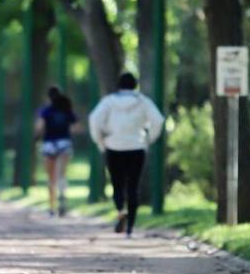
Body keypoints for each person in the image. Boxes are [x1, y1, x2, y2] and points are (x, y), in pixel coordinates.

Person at [88, 72, 164, 236]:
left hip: (113, 147)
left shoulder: (108, 102)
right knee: (133, 186)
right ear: (135, 85)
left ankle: (121, 210)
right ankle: (130, 227)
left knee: (117, 183)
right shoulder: (143, 102)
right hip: (136, 147)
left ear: (119, 85)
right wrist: (148, 139)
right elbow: (158, 120)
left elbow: (94, 120)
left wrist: (100, 140)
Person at [35, 86, 78, 216]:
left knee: (51, 177)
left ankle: (51, 207)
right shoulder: (67, 110)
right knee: (62, 174)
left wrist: (37, 136)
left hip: (49, 144)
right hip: (64, 143)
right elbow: (76, 127)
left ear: (48, 97)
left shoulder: (45, 111)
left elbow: (39, 127)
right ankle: (62, 198)